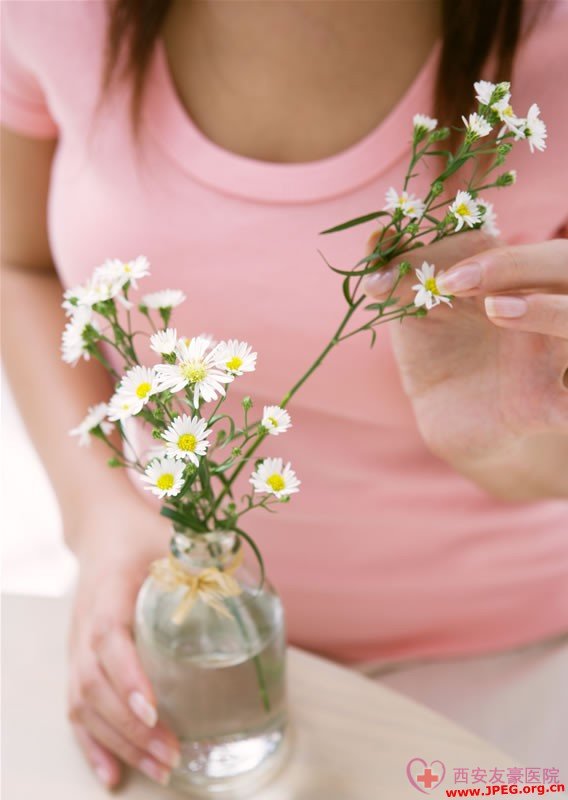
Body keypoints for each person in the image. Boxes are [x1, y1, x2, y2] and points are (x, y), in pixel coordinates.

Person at [2, 0, 567, 789]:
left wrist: (505, 435)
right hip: (183, 639)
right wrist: (100, 517)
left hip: (515, 665)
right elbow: (19, 263)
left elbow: (545, 454)